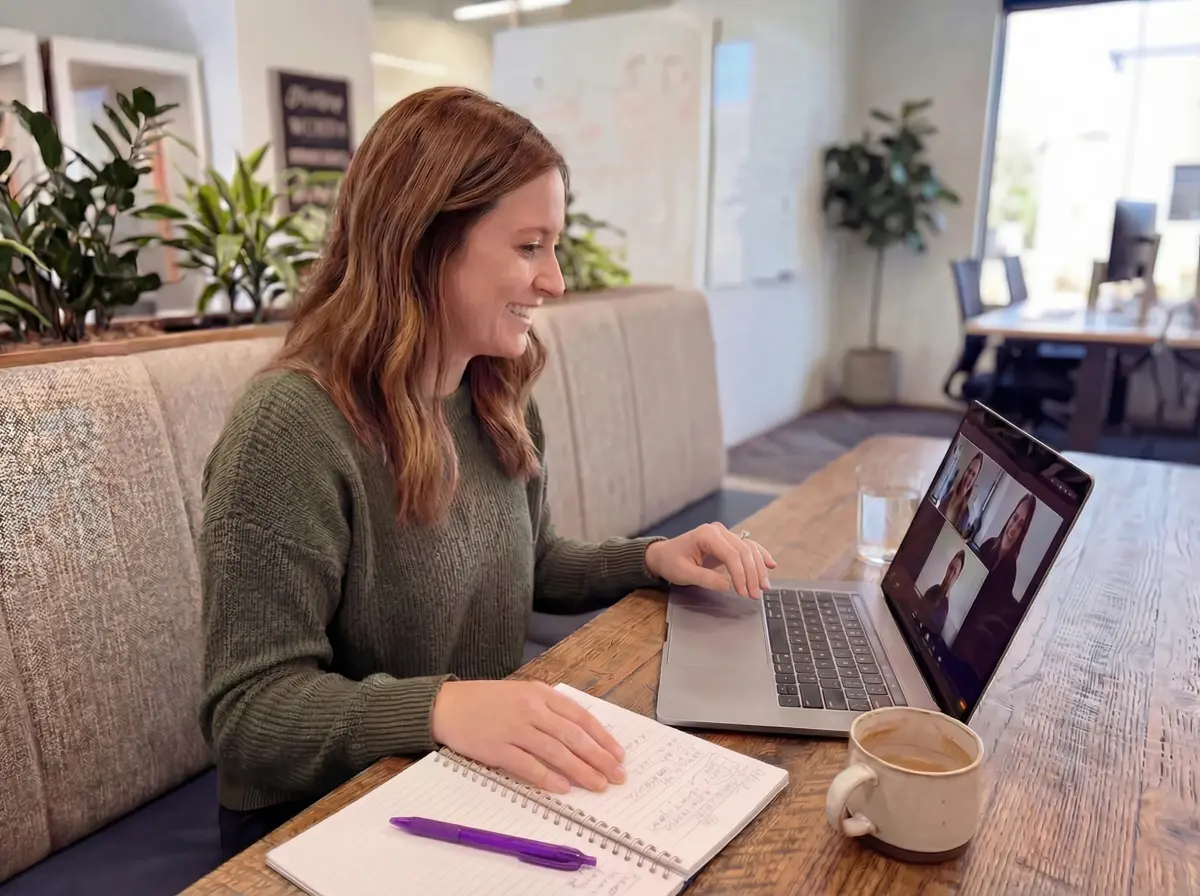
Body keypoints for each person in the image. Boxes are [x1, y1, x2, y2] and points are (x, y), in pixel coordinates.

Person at [197, 86, 778, 859]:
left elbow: (530, 566)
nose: (556, 282)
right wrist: (441, 709)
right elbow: (247, 712)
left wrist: (650, 559)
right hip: (322, 821)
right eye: (530, 246)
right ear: (423, 243)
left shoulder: (492, 391)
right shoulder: (289, 431)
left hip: (461, 776)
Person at [951, 493, 1035, 678]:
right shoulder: (988, 544)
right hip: (960, 613)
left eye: (1021, 524)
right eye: (1015, 518)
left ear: (1024, 532)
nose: (1014, 526)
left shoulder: (1010, 570)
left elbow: (989, 610)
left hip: (971, 633)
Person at [918, 550, 964, 638]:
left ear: (957, 577)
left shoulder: (947, 607)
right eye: (951, 568)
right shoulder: (933, 590)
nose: (950, 575)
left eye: (954, 572)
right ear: (948, 567)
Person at [939, 452, 983, 536]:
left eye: (973, 475)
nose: (969, 476)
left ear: (974, 480)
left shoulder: (966, 514)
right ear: (965, 471)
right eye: (969, 471)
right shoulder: (949, 490)